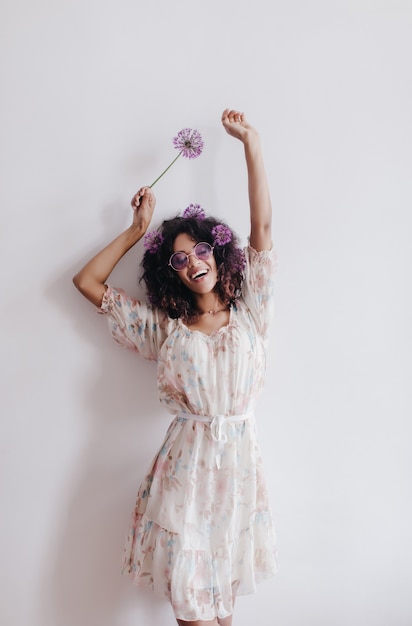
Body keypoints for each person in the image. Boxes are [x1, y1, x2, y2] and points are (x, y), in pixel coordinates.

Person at [73, 109, 278, 626]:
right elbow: (88, 283)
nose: (193, 263)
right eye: (179, 260)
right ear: (173, 275)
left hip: (237, 472)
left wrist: (251, 144)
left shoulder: (252, 311)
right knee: (191, 607)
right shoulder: (166, 331)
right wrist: (136, 230)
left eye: (201, 250)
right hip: (184, 474)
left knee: (222, 610)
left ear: (219, 253)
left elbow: (263, 228)